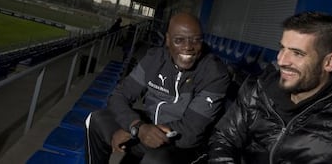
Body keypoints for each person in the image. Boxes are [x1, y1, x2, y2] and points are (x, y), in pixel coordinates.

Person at [208, 11, 332, 164]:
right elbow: (224, 138)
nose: (281, 60)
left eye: (297, 53)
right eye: (282, 48)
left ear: (330, 62)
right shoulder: (257, 88)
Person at [86, 12, 231, 164]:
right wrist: (135, 127)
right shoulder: (154, 59)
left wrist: (140, 133)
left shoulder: (215, 74)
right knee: (96, 119)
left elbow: (191, 131)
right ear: (168, 40)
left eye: (196, 40)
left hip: (181, 146)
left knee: (155, 160)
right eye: (179, 40)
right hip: (144, 128)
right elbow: (119, 96)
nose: (188, 47)